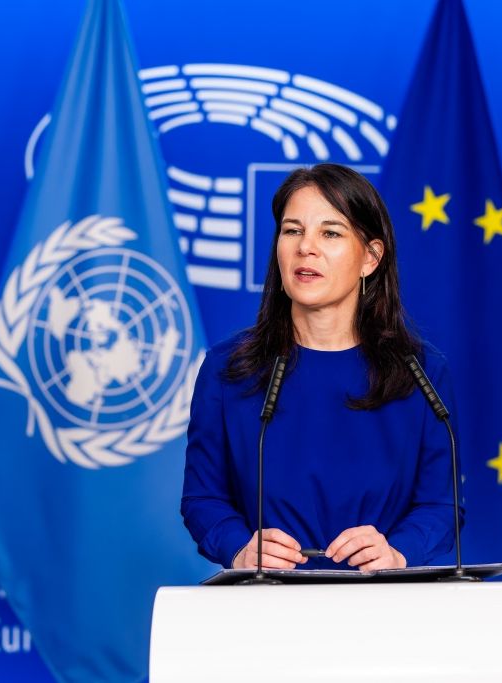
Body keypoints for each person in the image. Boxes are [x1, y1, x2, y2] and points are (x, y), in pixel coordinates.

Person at [181, 163, 461, 572]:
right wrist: (239, 548)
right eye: (292, 231)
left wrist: (398, 551)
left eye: (330, 233)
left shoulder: (422, 373)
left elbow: (442, 504)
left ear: (371, 257)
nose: (305, 248)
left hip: (382, 599)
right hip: (267, 598)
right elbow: (203, 498)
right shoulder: (228, 368)